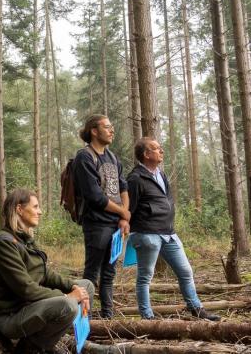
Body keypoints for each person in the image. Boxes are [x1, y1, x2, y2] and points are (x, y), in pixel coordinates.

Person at [0, 189, 94, 354]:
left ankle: (56, 341)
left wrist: (74, 287)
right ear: (19, 209)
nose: (40, 212)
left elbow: (45, 274)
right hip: (11, 316)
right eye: (35, 207)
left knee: (87, 286)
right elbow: (26, 288)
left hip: (30, 307)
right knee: (68, 305)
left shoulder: (24, 240)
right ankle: (31, 348)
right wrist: (67, 296)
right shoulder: (4, 244)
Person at [126, 137, 220, 321]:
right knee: (145, 277)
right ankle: (147, 317)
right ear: (146, 154)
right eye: (156, 148)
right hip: (147, 234)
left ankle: (196, 308)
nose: (161, 151)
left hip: (169, 234)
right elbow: (129, 208)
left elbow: (167, 200)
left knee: (185, 272)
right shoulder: (135, 178)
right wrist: (133, 231)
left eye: (161, 148)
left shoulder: (161, 174)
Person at [73, 114, 130, 319]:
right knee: (91, 274)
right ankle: (83, 320)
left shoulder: (113, 157)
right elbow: (95, 197)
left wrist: (124, 217)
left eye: (111, 126)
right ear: (94, 131)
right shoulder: (84, 157)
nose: (111, 130)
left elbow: (123, 188)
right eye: (107, 127)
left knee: (109, 273)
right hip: (96, 225)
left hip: (115, 226)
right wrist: (123, 212)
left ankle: (108, 318)